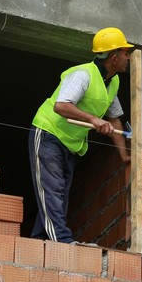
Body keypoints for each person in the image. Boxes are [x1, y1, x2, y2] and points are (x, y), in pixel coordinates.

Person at [29, 27, 132, 244]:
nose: (128, 58)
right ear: (114, 58)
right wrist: (94, 119)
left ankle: (38, 242)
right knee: (52, 191)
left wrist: (123, 155)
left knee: (59, 195)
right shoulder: (83, 74)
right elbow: (61, 106)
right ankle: (63, 241)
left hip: (70, 143)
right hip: (48, 134)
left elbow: (114, 119)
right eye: (126, 53)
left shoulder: (112, 82)